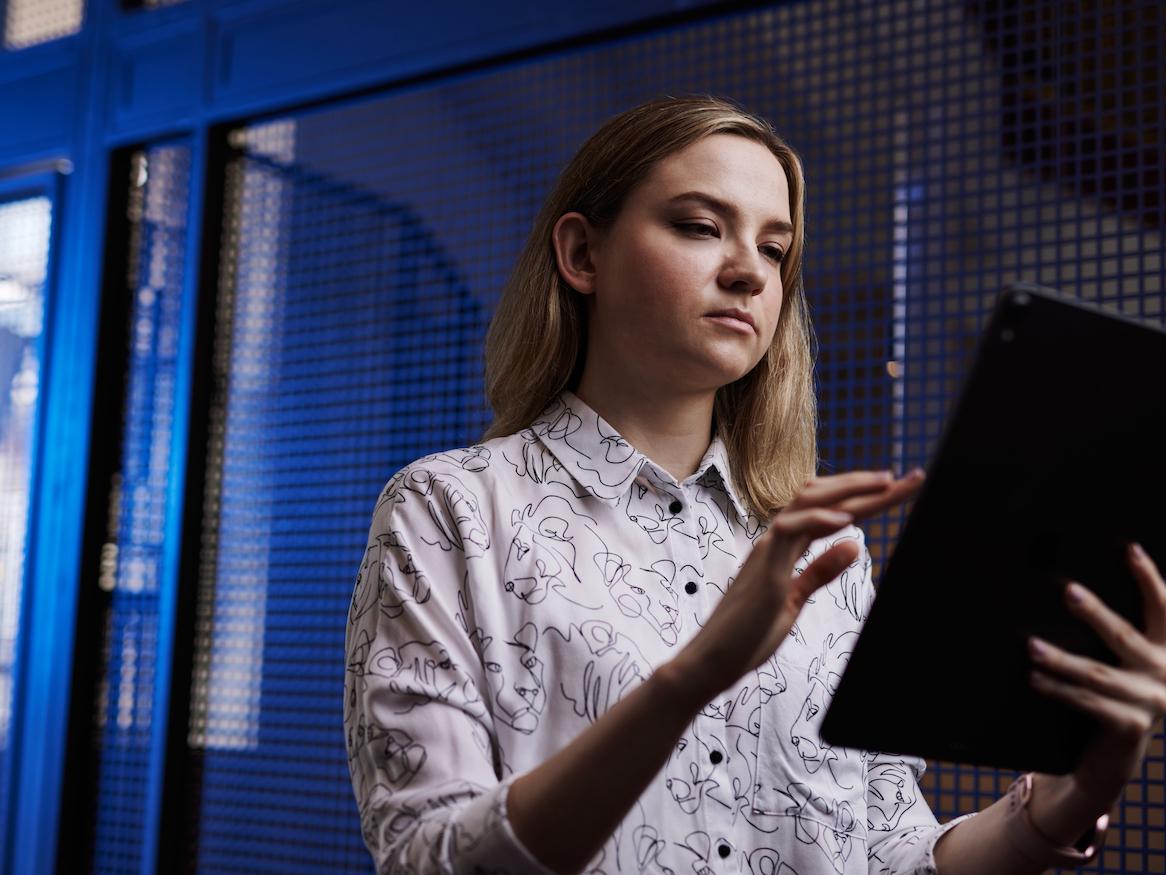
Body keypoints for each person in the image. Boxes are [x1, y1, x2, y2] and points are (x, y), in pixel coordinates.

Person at [343, 94, 1166, 875]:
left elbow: (890, 851)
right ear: (582, 253)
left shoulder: (827, 549)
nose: (749, 271)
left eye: (776, 249)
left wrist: (1069, 797)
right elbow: (429, 854)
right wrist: (692, 676)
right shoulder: (449, 509)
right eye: (702, 227)